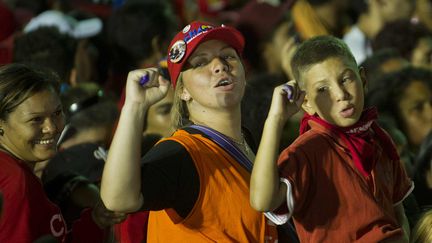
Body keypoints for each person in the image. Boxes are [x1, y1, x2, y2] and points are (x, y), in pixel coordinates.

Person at [100, 21, 279, 242]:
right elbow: (118, 199)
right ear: (183, 91)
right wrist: (134, 106)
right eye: (201, 62)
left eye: (228, 56)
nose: (219, 66)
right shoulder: (181, 153)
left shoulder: (245, 139)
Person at [250, 36, 413, 242]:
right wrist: (275, 119)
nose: (341, 94)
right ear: (307, 103)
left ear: (363, 80)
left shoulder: (379, 138)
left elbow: (398, 212)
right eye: (322, 89)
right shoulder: (305, 152)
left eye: (345, 79)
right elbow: (262, 201)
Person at [0, 63, 125, 242]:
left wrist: (94, 222)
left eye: (57, 113)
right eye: (36, 120)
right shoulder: (15, 183)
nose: (51, 127)